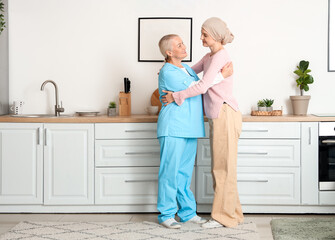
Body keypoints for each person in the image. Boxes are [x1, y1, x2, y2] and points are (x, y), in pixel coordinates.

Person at [161, 17, 243, 228]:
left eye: (204, 34)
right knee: (220, 167)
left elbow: (201, 85)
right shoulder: (208, 58)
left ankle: (222, 216)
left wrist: (176, 95)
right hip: (213, 116)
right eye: (202, 34)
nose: (200, 38)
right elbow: (193, 77)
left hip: (224, 112)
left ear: (215, 35)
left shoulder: (219, 56)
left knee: (222, 168)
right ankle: (231, 214)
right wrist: (166, 72)